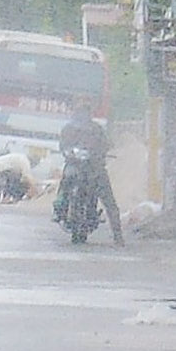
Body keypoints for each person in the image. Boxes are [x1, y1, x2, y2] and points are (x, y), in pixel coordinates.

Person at [54, 102, 124, 245]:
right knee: (64, 185)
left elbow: (106, 144)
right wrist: (69, 153)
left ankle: (118, 236)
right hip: (75, 167)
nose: (82, 116)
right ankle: (59, 210)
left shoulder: (97, 129)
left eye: (84, 112)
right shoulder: (69, 129)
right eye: (80, 112)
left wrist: (100, 153)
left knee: (109, 202)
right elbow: (63, 146)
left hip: (94, 169)